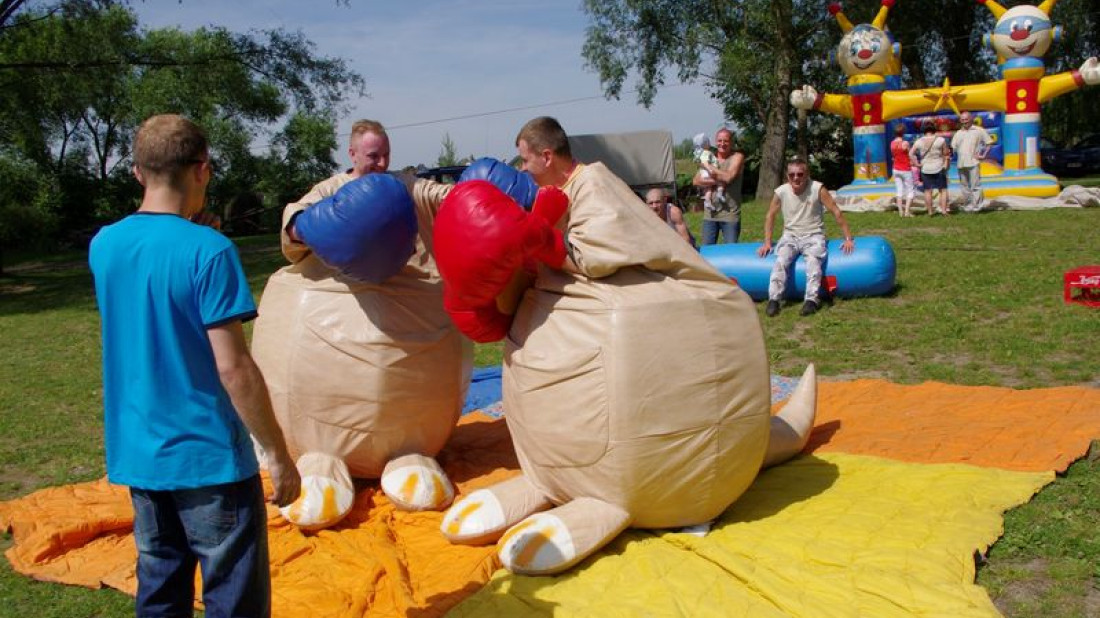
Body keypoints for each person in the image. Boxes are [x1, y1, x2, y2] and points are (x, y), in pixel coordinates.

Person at [435, 116, 817, 576]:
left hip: (650, 326)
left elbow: (601, 251)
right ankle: (552, 479)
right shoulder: (559, 194)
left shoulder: (594, 184)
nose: (524, 168)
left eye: (527, 157)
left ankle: (605, 500)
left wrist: (538, 240)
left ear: (547, 155)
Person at [88, 114, 301, 617]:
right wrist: (277, 453)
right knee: (233, 598)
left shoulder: (104, 245)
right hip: (210, 461)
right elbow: (234, 369)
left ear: (139, 172)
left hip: (141, 454)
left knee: (160, 589)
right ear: (202, 169)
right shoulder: (210, 251)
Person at [249, 119, 472, 530]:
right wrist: (312, 225)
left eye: (386, 154)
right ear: (352, 155)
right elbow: (294, 222)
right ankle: (320, 458)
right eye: (373, 156)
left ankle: (410, 453)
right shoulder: (331, 190)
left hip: (413, 326)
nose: (382, 162)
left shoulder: (408, 187)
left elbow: (446, 197)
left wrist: (478, 194)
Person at [757, 157, 855, 317]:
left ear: (807, 174)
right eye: (792, 175)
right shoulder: (781, 192)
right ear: (787, 176)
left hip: (813, 235)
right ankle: (774, 299)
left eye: (800, 174)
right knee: (780, 262)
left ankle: (811, 300)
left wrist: (848, 238)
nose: (796, 178)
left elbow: (835, 211)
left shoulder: (817, 189)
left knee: (813, 264)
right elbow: (770, 216)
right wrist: (767, 242)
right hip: (790, 236)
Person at [692, 127, 745, 244]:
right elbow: (696, 181)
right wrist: (719, 181)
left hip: (730, 214)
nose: (722, 144)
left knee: (731, 251)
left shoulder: (737, 157)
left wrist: (709, 167)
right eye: (720, 141)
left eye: (726, 141)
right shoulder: (709, 156)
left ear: (731, 142)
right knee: (707, 251)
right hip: (710, 215)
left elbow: (729, 177)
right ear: (715, 142)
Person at [950, 111, 991, 213]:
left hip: (973, 162)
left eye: (966, 119)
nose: (964, 122)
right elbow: (952, 148)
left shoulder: (979, 130)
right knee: (964, 186)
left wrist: (984, 155)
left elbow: (989, 143)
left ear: (971, 119)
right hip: (961, 163)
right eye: (962, 120)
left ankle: (977, 207)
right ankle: (968, 206)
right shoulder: (958, 133)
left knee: (975, 185)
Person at [910, 119, 951, 216]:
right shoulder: (940, 140)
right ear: (934, 129)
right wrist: (946, 163)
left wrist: (916, 163)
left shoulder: (919, 141)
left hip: (925, 168)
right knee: (943, 190)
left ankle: (930, 211)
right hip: (939, 167)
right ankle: (944, 210)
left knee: (928, 191)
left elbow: (911, 153)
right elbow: (946, 153)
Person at [691, 132, 723, 210]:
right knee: (721, 182)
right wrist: (710, 169)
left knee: (708, 188)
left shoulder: (700, 153)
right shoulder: (706, 152)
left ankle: (707, 201)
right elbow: (705, 163)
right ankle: (720, 193)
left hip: (704, 173)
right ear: (705, 144)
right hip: (708, 172)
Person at [890, 123, 916, 217]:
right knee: (910, 191)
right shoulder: (905, 143)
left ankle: (900, 211)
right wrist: (916, 163)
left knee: (899, 191)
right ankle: (907, 211)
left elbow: (894, 155)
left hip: (896, 169)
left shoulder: (892, 143)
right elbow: (910, 155)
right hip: (905, 169)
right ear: (903, 133)